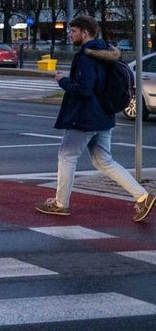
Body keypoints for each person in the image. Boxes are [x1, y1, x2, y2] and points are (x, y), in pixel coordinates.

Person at [36, 15, 156, 221]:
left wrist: (63, 80)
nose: (70, 34)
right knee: (103, 160)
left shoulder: (86, 56)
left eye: (73, 31)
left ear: (85, 33)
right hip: (104, 114)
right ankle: (142, 196)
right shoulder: (106, 52)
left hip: (84, 116)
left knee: (66, 156)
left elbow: (83, 89)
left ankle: (60, 204)